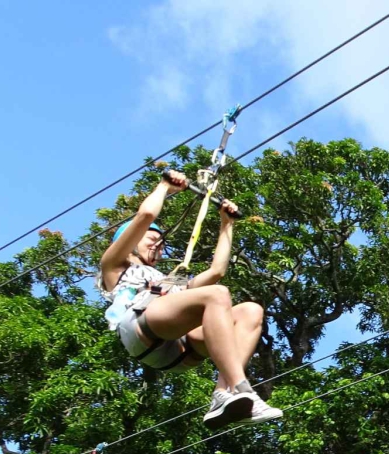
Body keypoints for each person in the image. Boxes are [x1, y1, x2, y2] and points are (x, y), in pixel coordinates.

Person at [97, 169, 282, 428]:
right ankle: (243, 388)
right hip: (139, 327)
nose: (157, 247)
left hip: (179, 350)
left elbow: (217, 271)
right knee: (217, 295)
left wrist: (226, 224)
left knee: (250, 310)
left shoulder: (168, 283)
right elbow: (146, 215)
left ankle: (224, 393)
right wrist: (164, 187)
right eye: (151, 240)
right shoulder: (115, 265)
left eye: (161, 245)